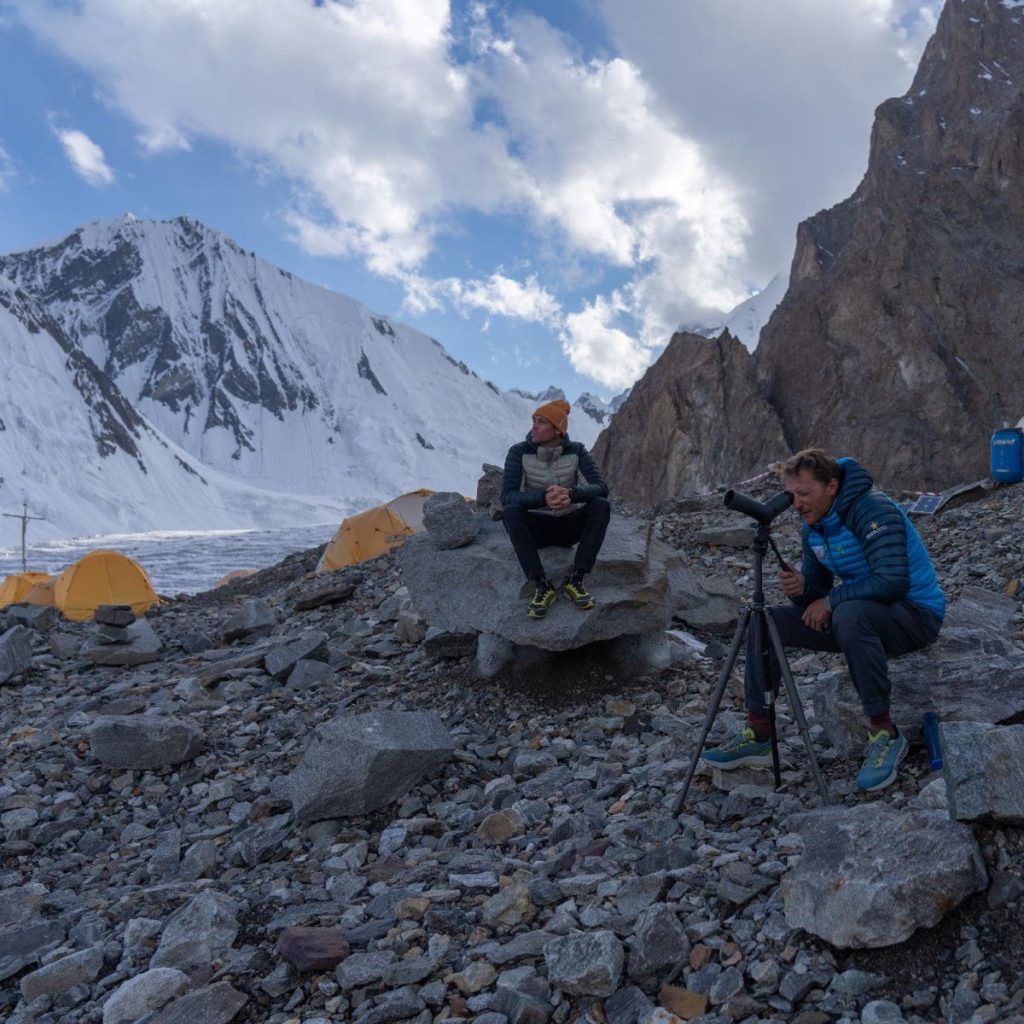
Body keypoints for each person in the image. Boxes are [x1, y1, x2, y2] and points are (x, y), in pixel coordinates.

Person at [703, 448, 945, 792]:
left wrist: (831, 601)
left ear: (831, 486)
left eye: (804, 494)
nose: (797, 505)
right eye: (792, 496)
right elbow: (818, 590)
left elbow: (893, 580)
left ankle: (885, 733)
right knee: (766, 621)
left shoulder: (872, 509)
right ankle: (758, 733)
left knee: (848, 613)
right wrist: (802, 589)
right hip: (863, 616)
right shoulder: (814, 527)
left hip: (916, 614)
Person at [500, 399, 611, 618]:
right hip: (537, 527)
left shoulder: (577, 451)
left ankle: (576, 580)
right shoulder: (518, 452)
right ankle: (541, 584)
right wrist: (543, 498)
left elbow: (601, 487)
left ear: (558, 429)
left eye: (541, 422)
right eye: (534, 420)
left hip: (568, 526)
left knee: (601, 505)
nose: (534, 426)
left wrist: (571, 495)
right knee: (511, 511)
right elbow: (507, 495)